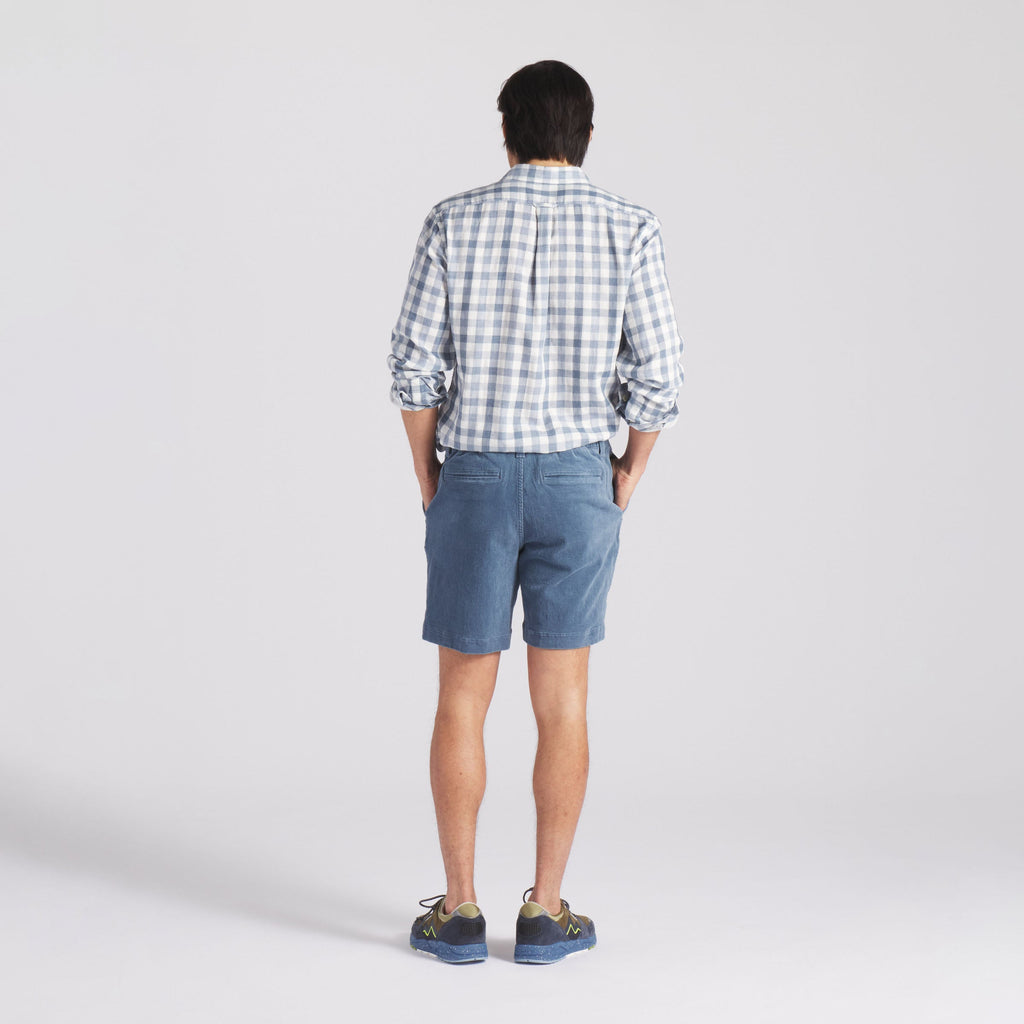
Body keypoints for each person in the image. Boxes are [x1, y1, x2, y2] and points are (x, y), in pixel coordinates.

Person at [387, 59, 684, 964]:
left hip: (475, 475)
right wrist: (629, 470)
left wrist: (429, 476)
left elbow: (413, 366)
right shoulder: (630, 225)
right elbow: (660, 375)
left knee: (461, 696)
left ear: (507, 130)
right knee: (564, 701)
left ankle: (459, 912)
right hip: (576, 479)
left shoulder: (453, 219)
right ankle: (547, 913)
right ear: (585, 134)